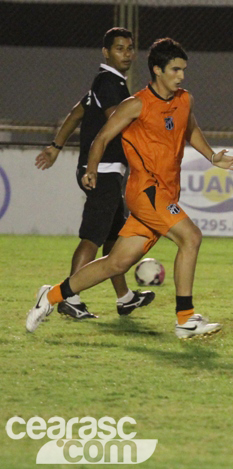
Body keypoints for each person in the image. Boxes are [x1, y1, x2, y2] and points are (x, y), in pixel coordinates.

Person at [27, 37, 233, 339]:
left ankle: (50, 296)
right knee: (191, 237)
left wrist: (212, 156)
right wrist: (91, 170)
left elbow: (189, 128)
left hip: (166, 192)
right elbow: (102, 138)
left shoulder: (184, 99)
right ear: (157, 70)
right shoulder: (136, 105)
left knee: (116, 262)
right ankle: (185, 319)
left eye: (183, 69)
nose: (181, 76)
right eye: (175, 69)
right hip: (145, 191)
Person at [34, 27, 155, 320]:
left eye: (129, 48)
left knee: (114, 238)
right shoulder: (109, 82)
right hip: (101, 170)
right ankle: (68, 297)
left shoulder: (103, 83)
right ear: (106, 53)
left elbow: (77, 112)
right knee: (92, 237)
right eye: (119, 48)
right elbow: (117, 118)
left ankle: (125, 298)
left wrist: (54, 146)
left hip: (103, 169)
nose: (126, 53)